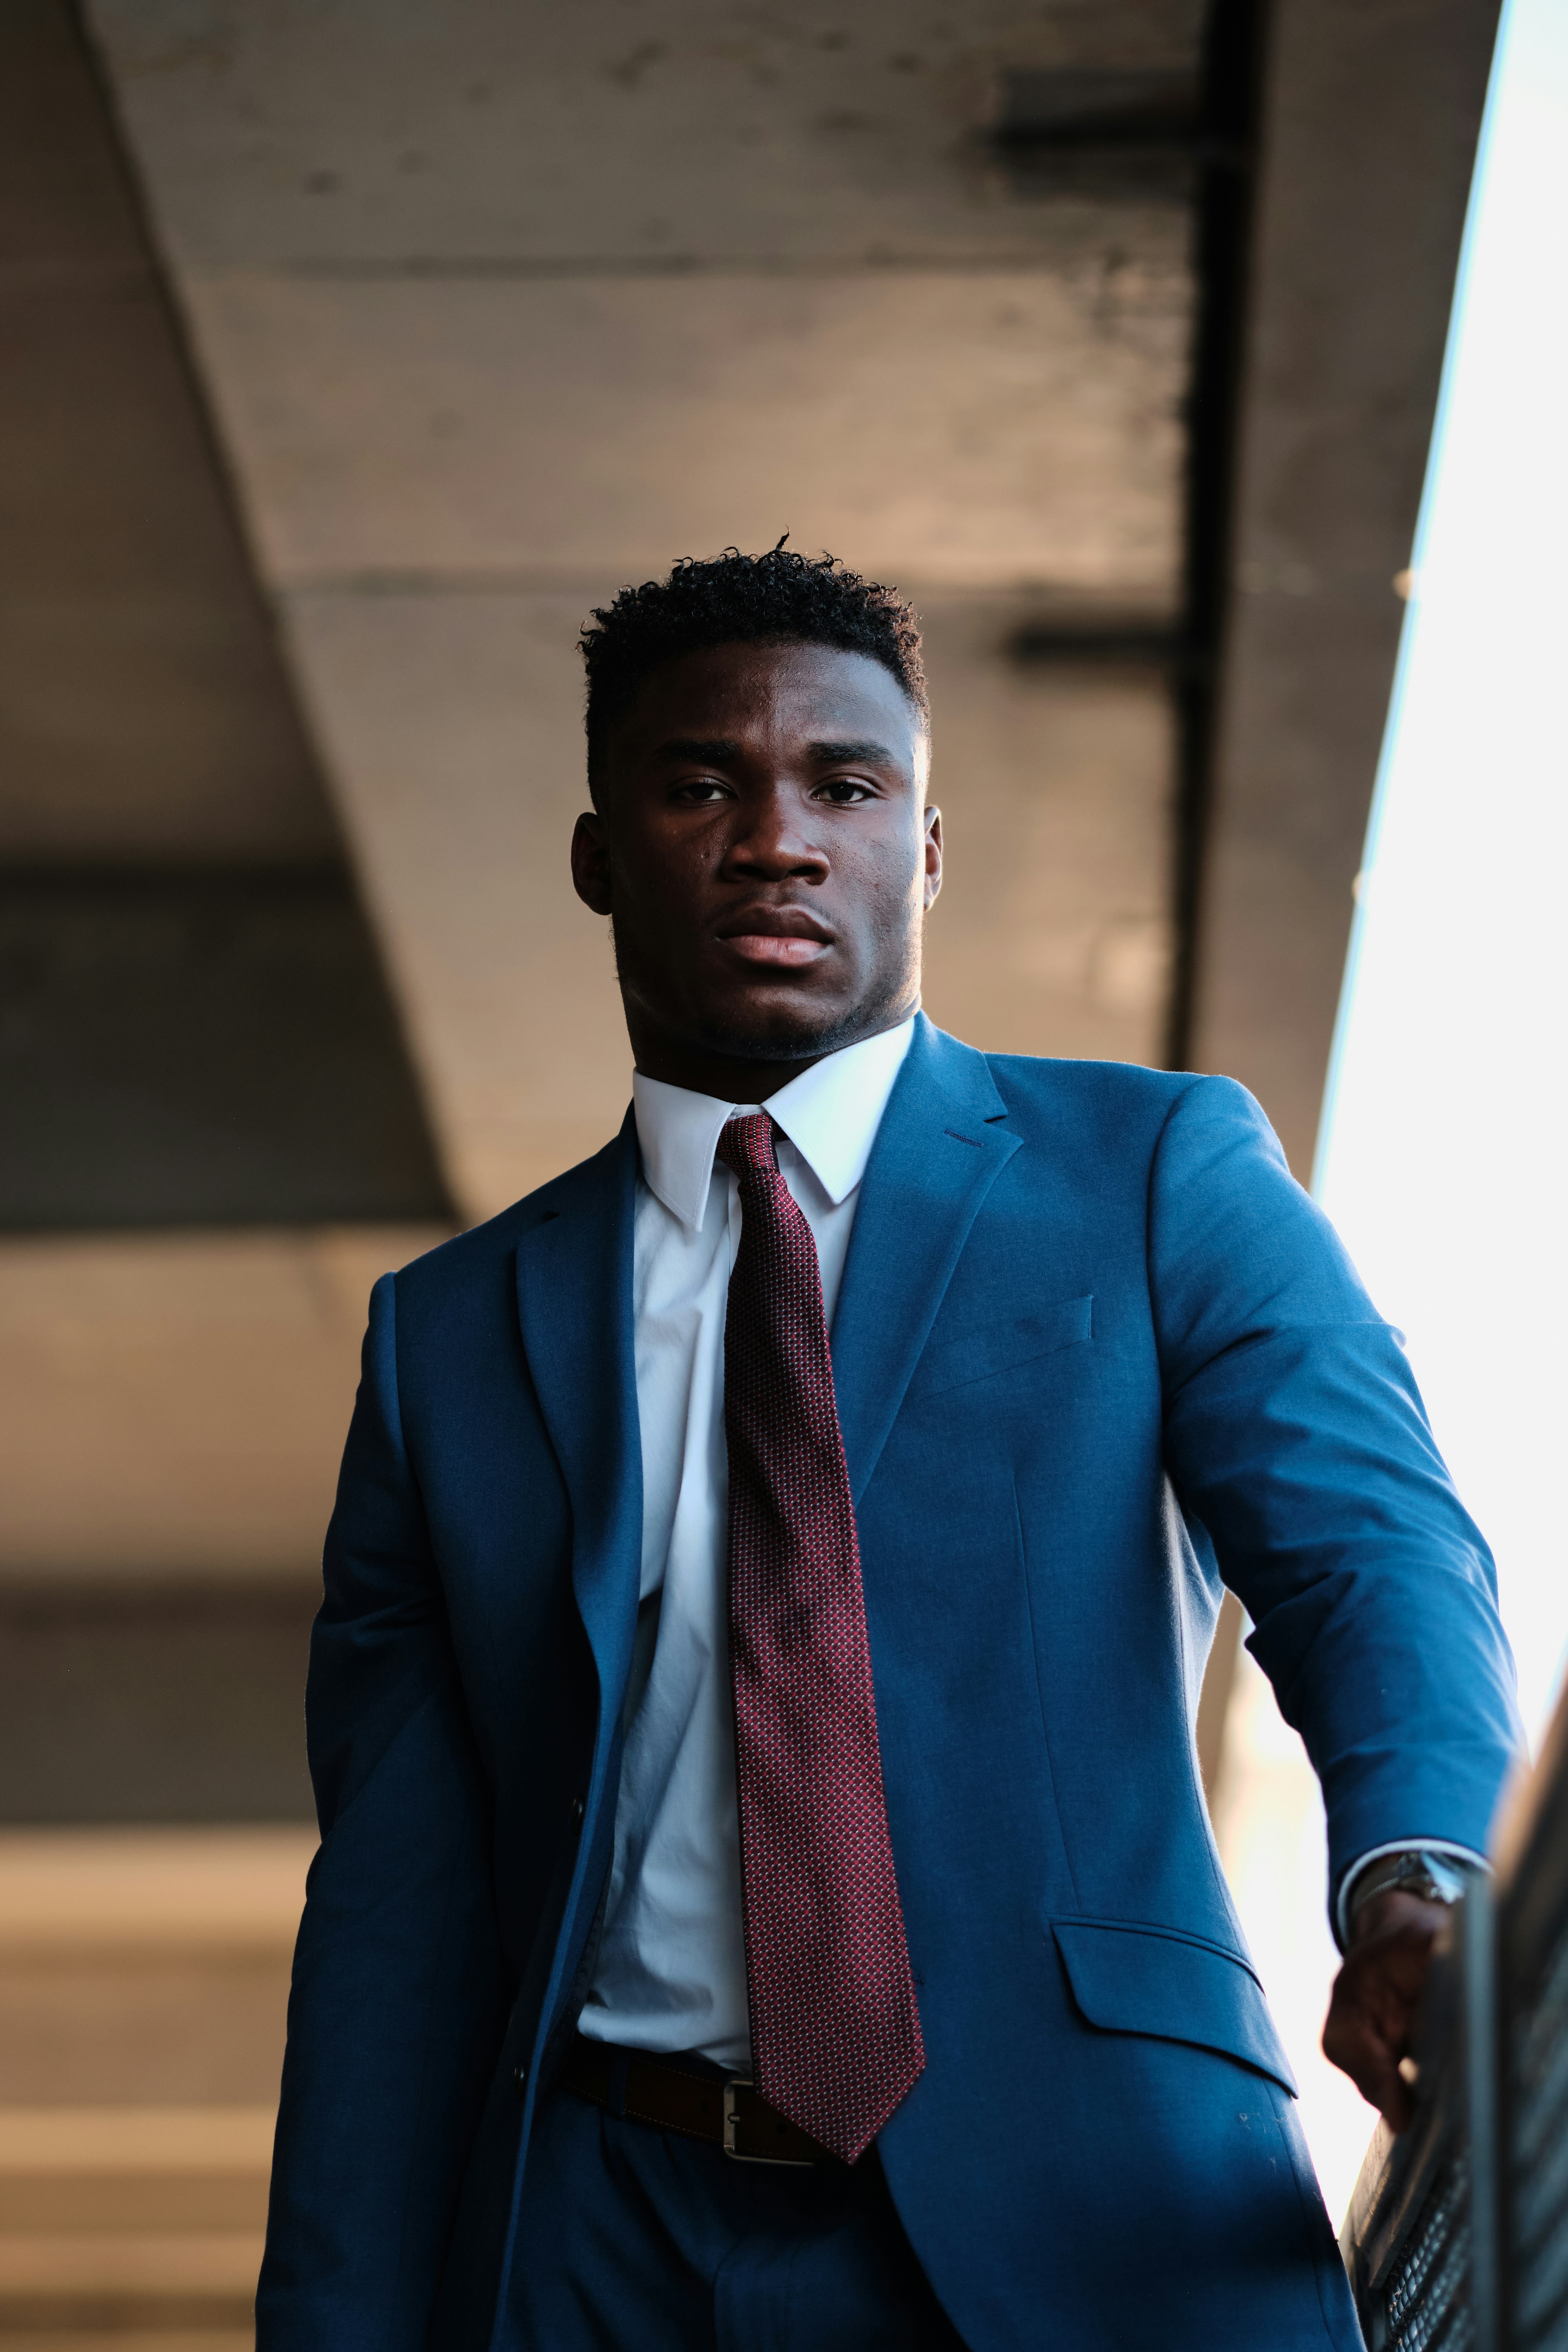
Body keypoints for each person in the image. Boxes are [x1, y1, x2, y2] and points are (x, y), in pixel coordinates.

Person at [257, 545, 1520, 2350]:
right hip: (595, 2247)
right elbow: (392, 1909)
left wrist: (1419, 1874)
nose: (779, 839)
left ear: (924, 849)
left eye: (847, 788)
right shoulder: (449, 1337)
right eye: (704, 785)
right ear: (600, 857)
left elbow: (1367, 1552)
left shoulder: (1152, 1173)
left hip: (1094, 2215)